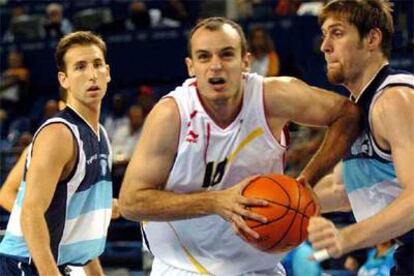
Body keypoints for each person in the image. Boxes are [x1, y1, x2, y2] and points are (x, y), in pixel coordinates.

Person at [118, 17, 361, 275]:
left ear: (245, 61)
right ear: (191, 66)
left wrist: (307, 181)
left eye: (226, 54)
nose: (215, 66)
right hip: (184, 266)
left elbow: (347, 114)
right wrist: (216, 202)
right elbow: (131, 202)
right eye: (204, 57)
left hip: (259, 266)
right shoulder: (172, 115)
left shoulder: (274, 97)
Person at [307, 1, 414, 275]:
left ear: (372, 39)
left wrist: (345, 238)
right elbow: (342, 191)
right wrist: (269, 198)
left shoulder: (393, 99)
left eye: (337, 33)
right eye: (324, 34)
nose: (324, 46)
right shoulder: (358, 110)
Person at [0, 31, 112, 275]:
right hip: (25, 264)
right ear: (64, 79)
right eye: (80, 67)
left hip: (60, 263)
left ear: (108, 72)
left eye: (97, 64)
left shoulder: (101, 135)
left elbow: (82, 227)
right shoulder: (58, 134)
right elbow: (30, 212)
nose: (92, 74)